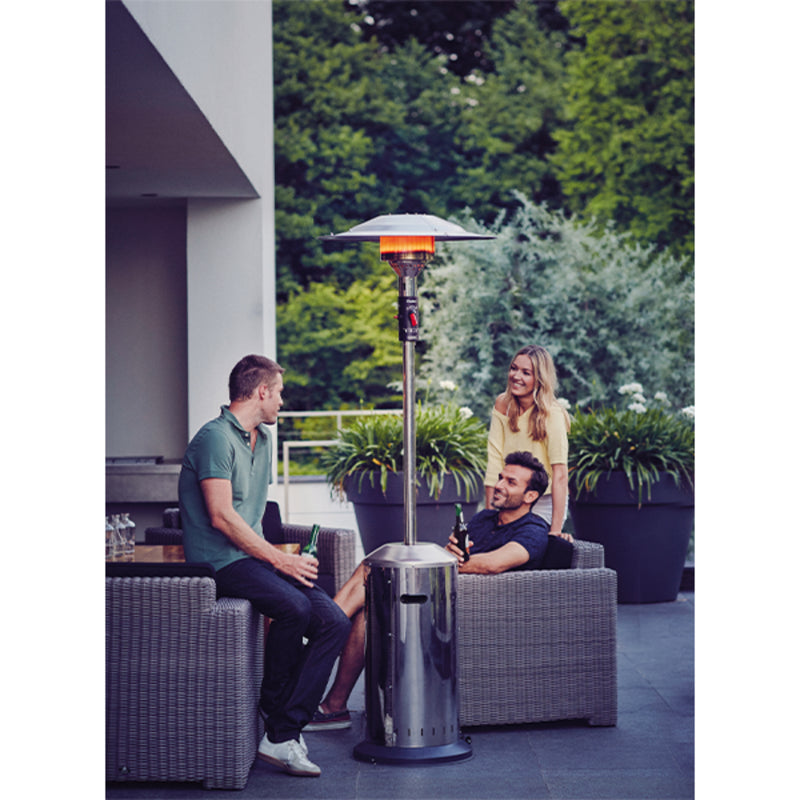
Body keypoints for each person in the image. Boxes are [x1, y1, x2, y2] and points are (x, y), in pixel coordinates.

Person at [178, 354, 350, 778]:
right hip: (218, 562)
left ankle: (281, 729)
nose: (282, 403)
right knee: (295, 607)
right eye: (280, 394)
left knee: (334, 622)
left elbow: (253, 514)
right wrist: (280, 560)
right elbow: (221, 515)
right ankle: (279, 720)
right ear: (261, 392)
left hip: (253, 558)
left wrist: (283, 558)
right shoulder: (214, 439)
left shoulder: (263, 439)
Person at [304, 451, 551, 732]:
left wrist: (451, 561)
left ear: (530, 496)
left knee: (374, 569)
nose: (499, 485)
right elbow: (455, 554)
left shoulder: (533, 531)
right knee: (368, 593)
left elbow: (492, 565)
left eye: (511, 482)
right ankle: (334, 706)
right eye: (500, 478)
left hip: (473, 611)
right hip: (443, 593)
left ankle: (320, 633)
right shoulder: (485, 519)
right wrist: (452, 555)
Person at [485, 344, 573, 542]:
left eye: (526, 372)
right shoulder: (502, 404)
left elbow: (559, 473)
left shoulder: (553, 413)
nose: (516, 376)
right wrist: (490, 512)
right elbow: (494, 458)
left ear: (539, 379)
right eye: (514, 368)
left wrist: (555, 531)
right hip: (510, 495)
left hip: (544, 500)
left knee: (523, 546)